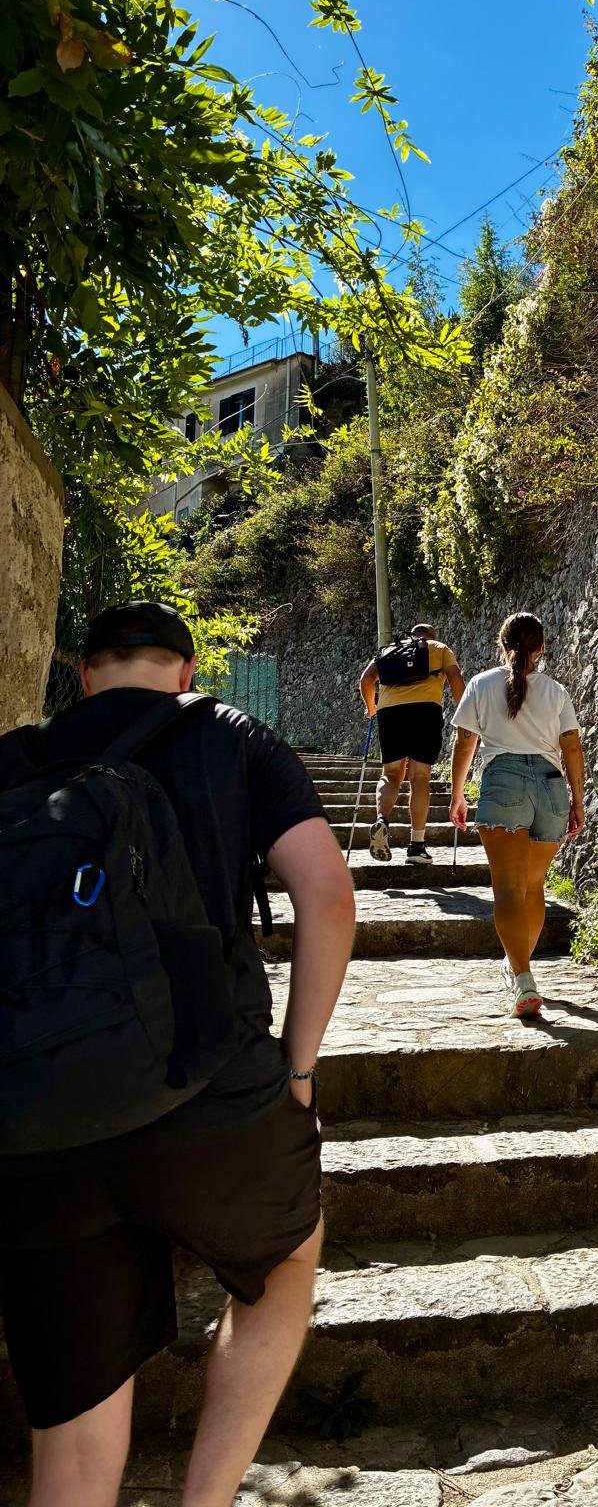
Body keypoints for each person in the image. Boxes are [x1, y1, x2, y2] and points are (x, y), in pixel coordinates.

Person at [0, 601, 356, 1507]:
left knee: (71, 1450)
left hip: (42, 1124)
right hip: (212, 1099)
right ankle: (209, 1498)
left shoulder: (16, 762)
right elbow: (328, 896)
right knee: (284, 1258)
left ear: (83, 674)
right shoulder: (233, 736)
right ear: (188, 672)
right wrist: (299, 1071)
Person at [449, 612, 585, 1019]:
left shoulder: (481, 684)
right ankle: (519, 969)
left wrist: (457, 793)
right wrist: (577, 802)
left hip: (504, 782)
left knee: (508, 889)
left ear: (501, 644)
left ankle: (522, 978)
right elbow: (572, 748)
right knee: (533, 887)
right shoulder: (556, 691)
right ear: (540, 648)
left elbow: (465, 742)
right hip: (550, 787)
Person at [358, 622, 466, 865]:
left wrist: (371, 709)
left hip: (390, 713)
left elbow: (366, 679)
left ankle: (382, 819)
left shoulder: (389, 650)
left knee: (391, 774)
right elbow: (455, 677)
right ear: (430, 635)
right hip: (425, 711)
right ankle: (416, 846)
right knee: (419, 777)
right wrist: (465, 710)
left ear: (411, 635)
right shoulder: (438, 647)